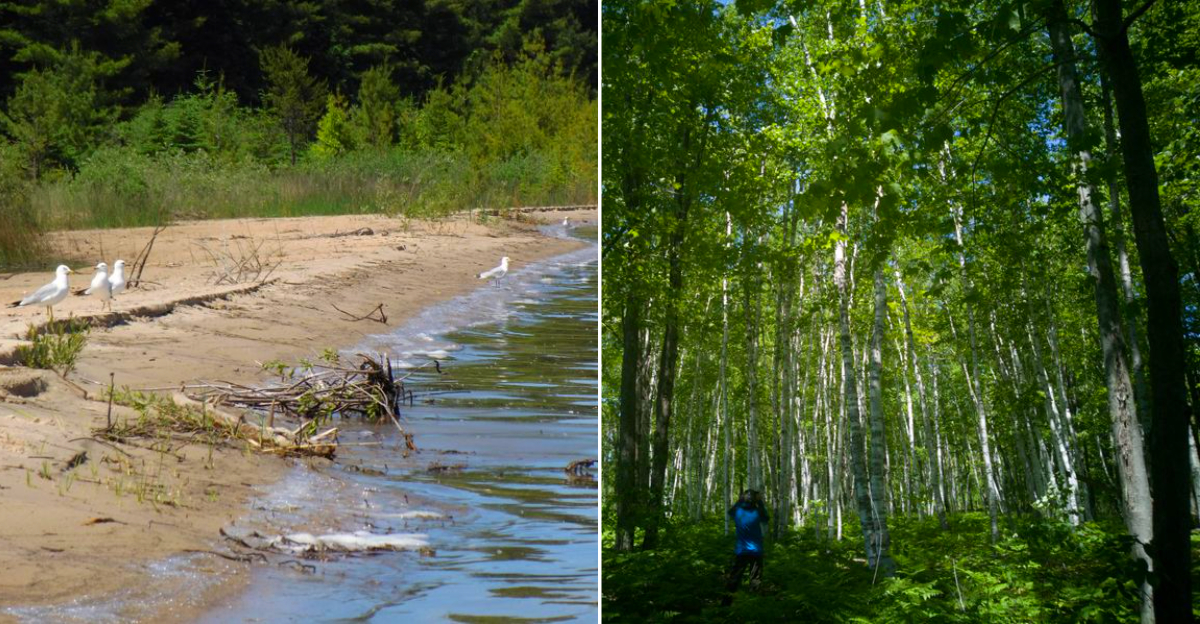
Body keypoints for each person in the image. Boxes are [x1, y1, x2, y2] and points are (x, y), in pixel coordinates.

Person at [723, 488, 769, 605]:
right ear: (754, 500)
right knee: (755, 579)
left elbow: (730, 512)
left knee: (734, 578)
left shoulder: (738, 511)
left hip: (741, 550)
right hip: (756, 551)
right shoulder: (757, 512)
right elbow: (766, 518)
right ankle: (754, 605)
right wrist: (760, 502)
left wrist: (740, 500)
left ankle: (726, 604)